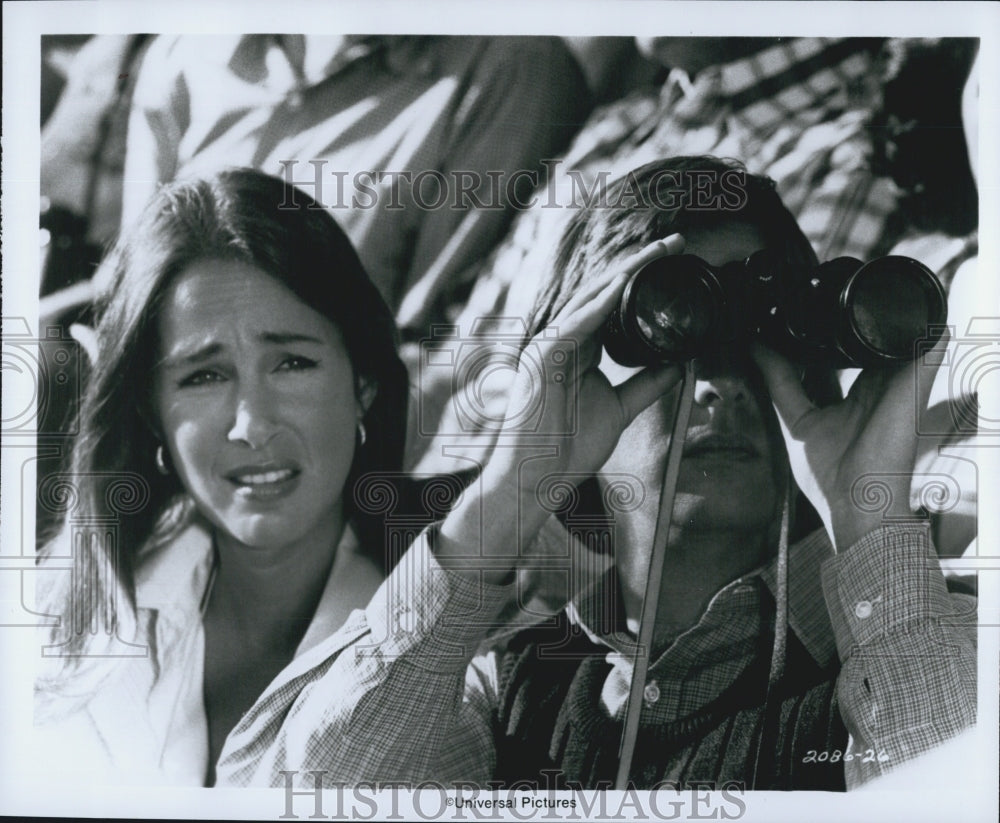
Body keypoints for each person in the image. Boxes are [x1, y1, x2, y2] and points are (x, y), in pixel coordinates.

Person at [214, 157, 976, 790]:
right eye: (667, 326)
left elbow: (950, 794)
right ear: (569, 364)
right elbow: (311, 792)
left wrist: (868, 516)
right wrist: (512, 490)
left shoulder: (942, 637)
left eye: (760, 333)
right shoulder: (510, 690)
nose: (716, 381)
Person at [33, 168, 415, 786]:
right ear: (149, 414)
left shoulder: (447, 638)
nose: (252, 425)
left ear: (363, 383)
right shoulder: (56, 612)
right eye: (203, 376)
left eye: (292, 363)